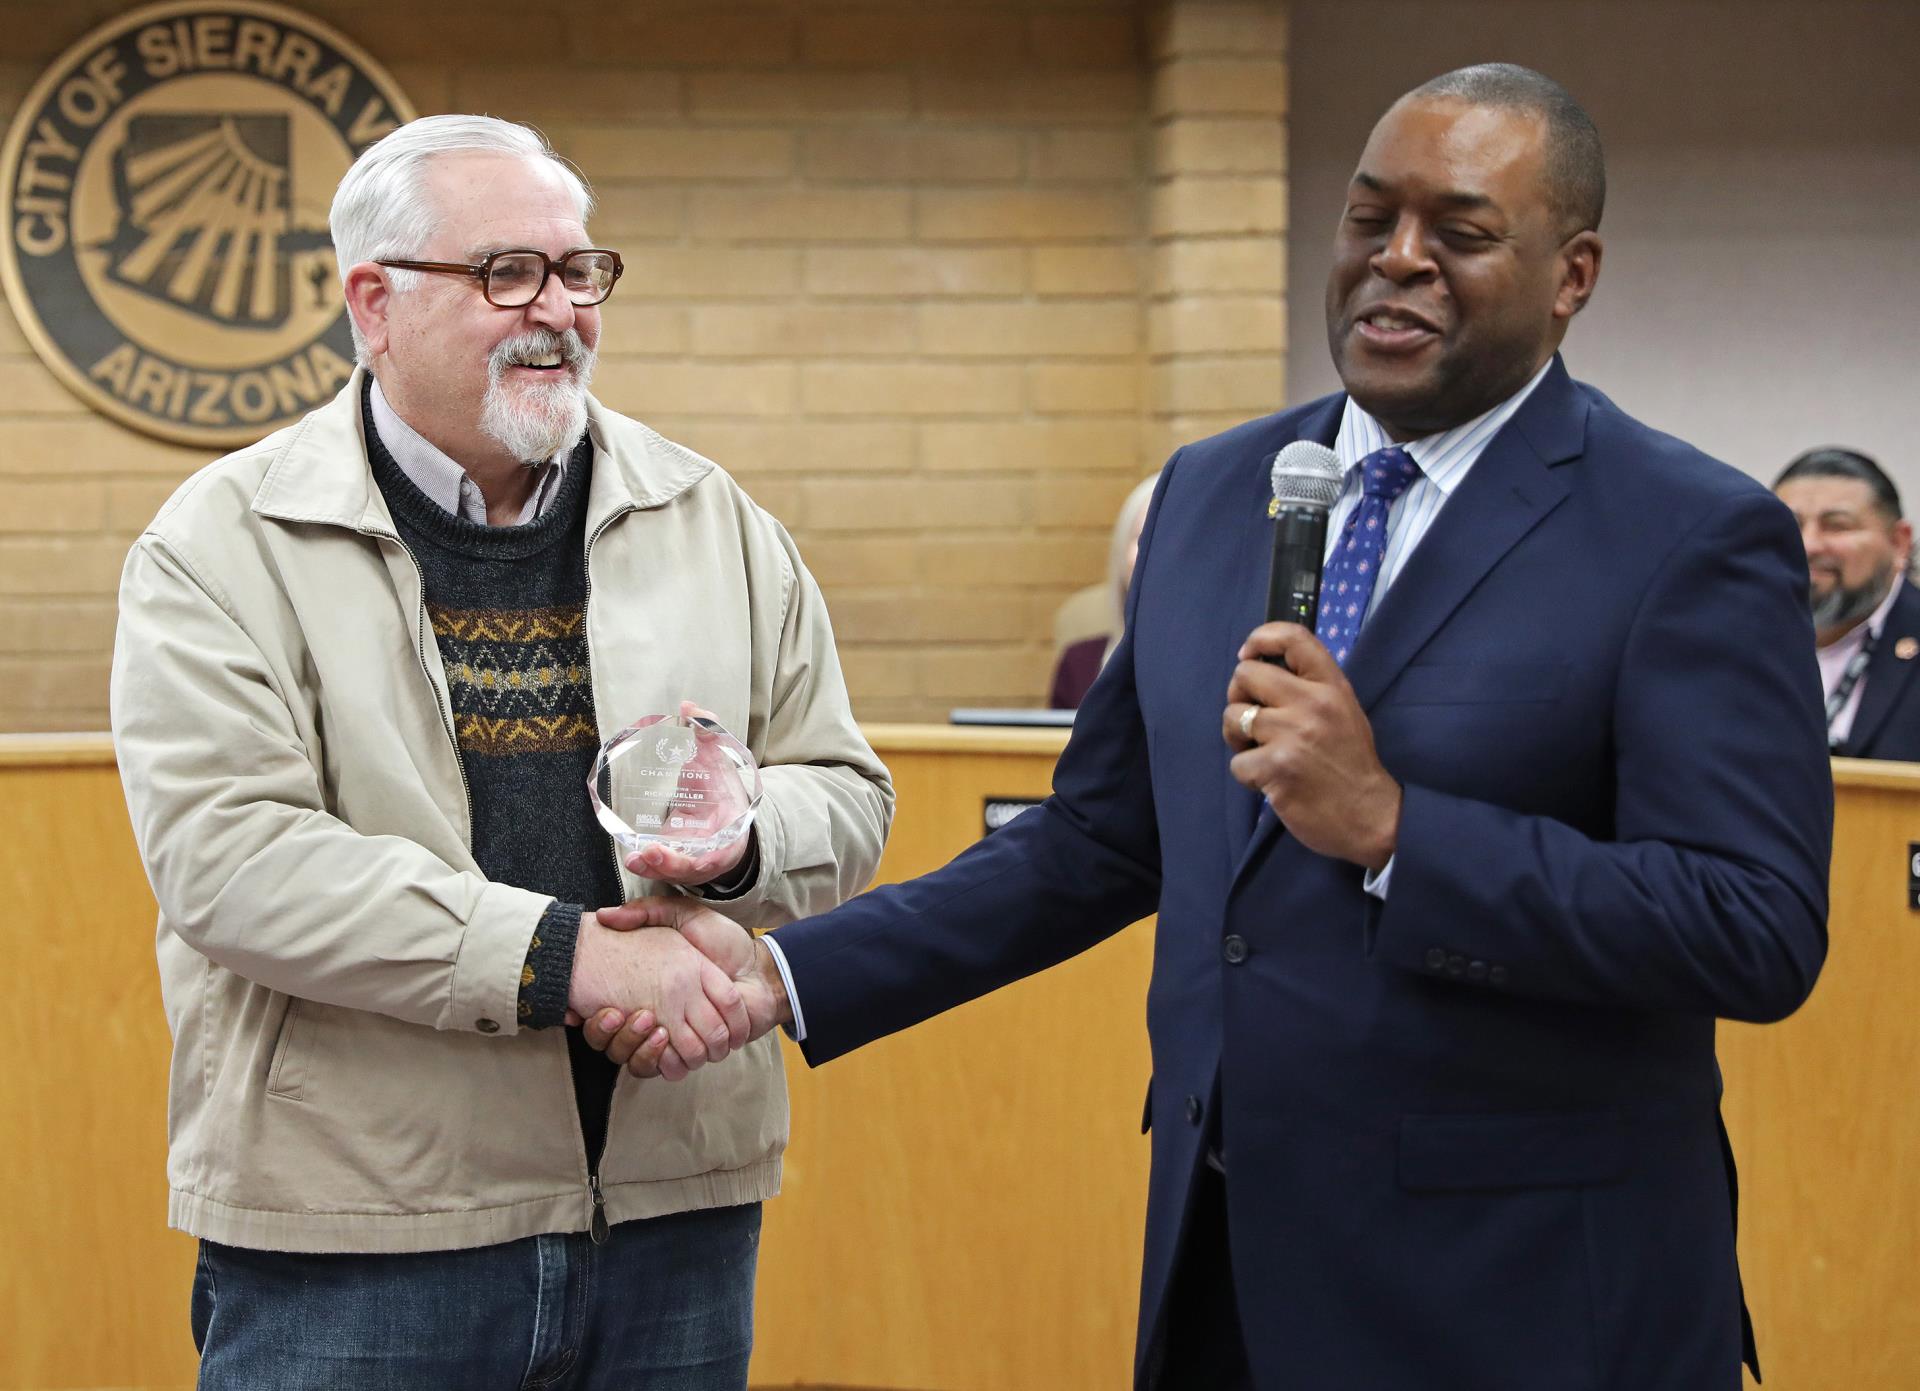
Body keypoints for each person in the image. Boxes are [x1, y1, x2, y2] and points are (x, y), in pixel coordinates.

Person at [593, 64, 1832, 1391]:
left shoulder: (1686, 532)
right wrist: (778, 975)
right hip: (1227, 1264)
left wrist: (1399, 830)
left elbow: (1751, 923)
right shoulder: (1219, 487)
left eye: (1460, 233)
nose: (1396, 262)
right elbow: (1093, 844)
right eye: (1368, 219)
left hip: (1527, 1296)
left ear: (1570, 273)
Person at [108, 115, 892, 1390]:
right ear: (373, 303)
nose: (561, 311)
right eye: (507, 274)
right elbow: (231, 858)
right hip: (364, 1229)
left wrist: (744, 838)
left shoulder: (714, 516)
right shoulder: (222, 542)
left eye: (581, 272)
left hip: (668, 1212)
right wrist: (563, 958)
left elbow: (847, 790)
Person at [1773, 447, 1920, 759]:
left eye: (1836, 525)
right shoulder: (1735, 635)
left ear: (1899, 542)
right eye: (1791, 524)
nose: (1808, 544)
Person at [1049, 472, 1159, 708]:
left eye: (1164, 540)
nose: (1152, 553)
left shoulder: (1225, 661)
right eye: (1141, 539)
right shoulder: (1078, 664)